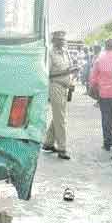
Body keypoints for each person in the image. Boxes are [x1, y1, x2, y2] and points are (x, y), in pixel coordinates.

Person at [42, 31, 77, 160]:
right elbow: (48, 74)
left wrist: (71, 76)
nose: (62, 41)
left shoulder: (65, 52)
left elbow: (68, 70)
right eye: (59, 39)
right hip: (55, 86)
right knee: (61, 118)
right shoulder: (50, 54)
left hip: (64, 87)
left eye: (63, 39)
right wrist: (66, 72)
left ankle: (48, 143)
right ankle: (62, 149)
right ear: (53, 41)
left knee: (58, 116)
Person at [90, 38, 112, 151]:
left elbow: (93, 78)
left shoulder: (99, 58)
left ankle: (107, 142)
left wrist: (93, 88)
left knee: (106, 118)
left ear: (106, 46)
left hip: (104, 94)